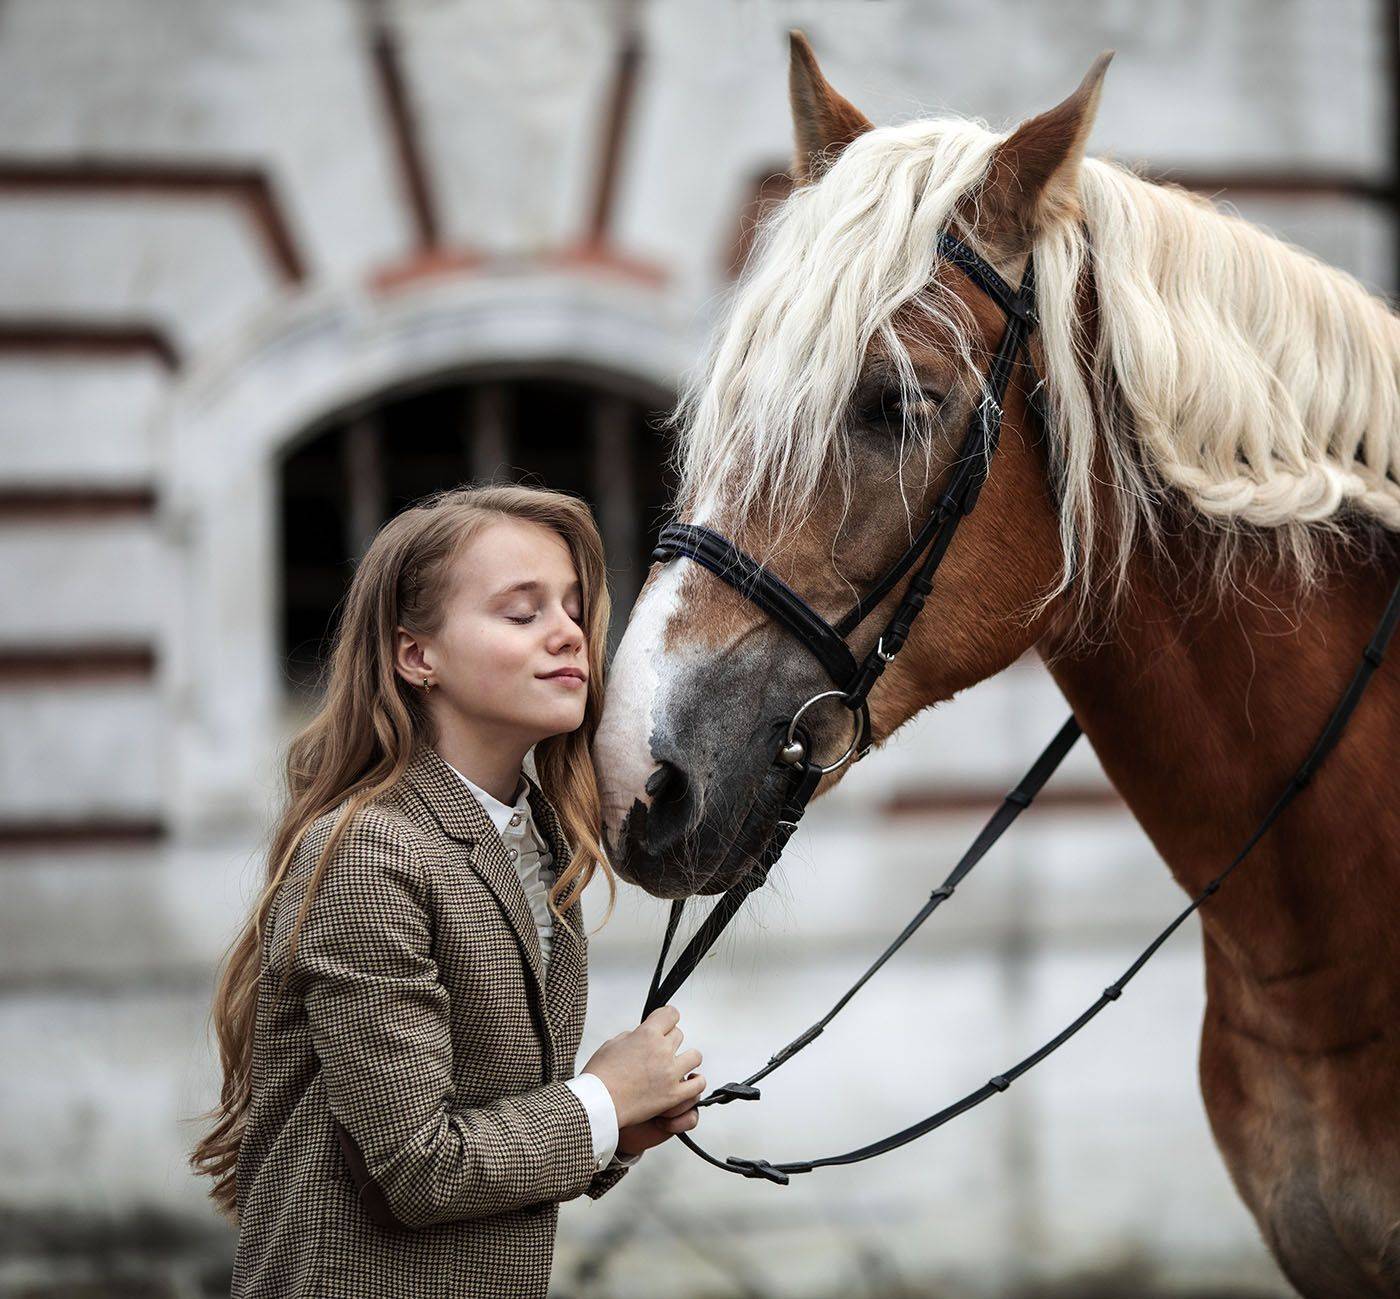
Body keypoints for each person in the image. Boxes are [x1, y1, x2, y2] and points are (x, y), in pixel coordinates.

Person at [190, 483, 703, 1298]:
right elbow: (421, 1168)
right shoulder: (369, 855)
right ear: (415, 655)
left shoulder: (534, 848)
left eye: (572, 607)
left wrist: (617, 1130)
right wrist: (598, 1099)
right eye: (521, 611)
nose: (569, 631)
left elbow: (495, 1129)